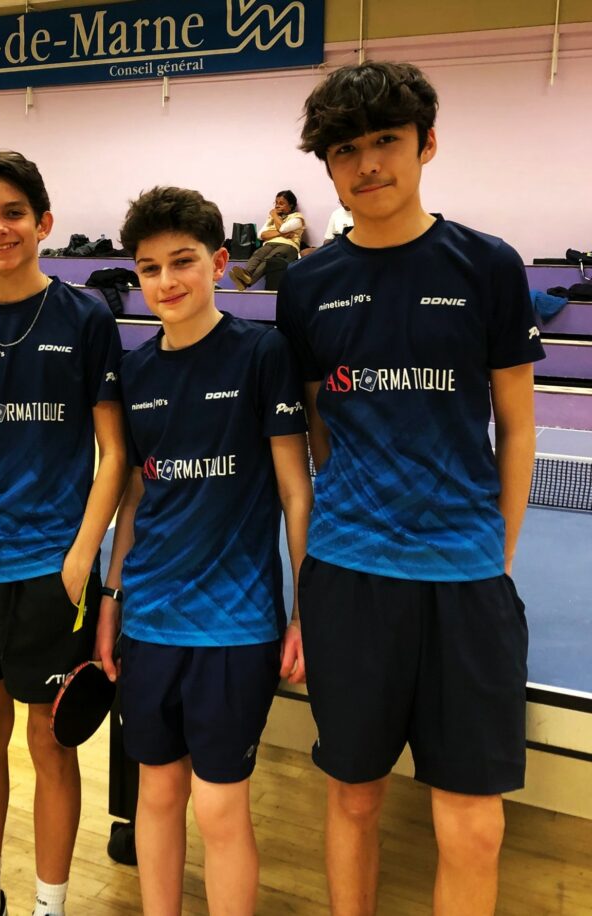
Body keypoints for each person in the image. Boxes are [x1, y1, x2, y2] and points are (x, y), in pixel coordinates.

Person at [275, 61, 545, 916]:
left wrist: (496, 552)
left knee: (473, 823)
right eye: (345, 150)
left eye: (386, 141)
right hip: (349, 576)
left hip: (465, 580)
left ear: (426, 144)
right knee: (354, 797)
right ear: (328, 166)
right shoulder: (306, 284)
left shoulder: (487, 266)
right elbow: (317, 426)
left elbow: (518, 426)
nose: (367, 164)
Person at [0, 150, 128, 916]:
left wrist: (80, 559)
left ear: (43, 222)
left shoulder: (85, 318)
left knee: (50, 741)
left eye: (13, 213)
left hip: (52, 572)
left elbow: (115, 454)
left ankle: (50, 903)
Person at [97, 186, 312, 915]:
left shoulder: (261, 354)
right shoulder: (134, 372)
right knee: (156, 793)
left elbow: (295, 493)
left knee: (220, 807)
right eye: (149, 268)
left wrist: (303, 612)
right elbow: (134, 497)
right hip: (149, 621)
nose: (167, 281)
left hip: (235, 628)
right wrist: (112, 600)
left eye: (183, 261)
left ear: (219, 263)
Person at [229, 190, 305, 289]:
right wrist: (282, 233)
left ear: (291, 205)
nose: (277, 206)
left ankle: (245, 281)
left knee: (269, 259)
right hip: (269, 244)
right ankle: (246, 274)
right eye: (276, 203)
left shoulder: (297, 218)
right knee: (258, 254)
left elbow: (283, 228)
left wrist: (274, 215)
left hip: (288, 246)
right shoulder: (271, 219)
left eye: (281, 203)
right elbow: (261, 235)